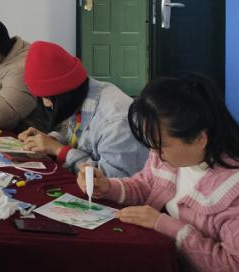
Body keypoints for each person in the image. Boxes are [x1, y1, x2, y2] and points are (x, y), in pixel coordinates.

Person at [82, 75, 239, 272]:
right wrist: (109, 187)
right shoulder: (169, 158)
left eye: (162, 145)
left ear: (199, 139)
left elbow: (236, 266)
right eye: (151, 143)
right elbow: (146, 185)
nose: (154, 152)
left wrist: (165, 226)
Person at [17, 41, 147, 177]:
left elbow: (109, 180)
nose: (46, 104)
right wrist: (48, 142)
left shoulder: (115, 122)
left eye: (47, 98)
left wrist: (59, 150)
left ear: (64, 95)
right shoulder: (81, 93)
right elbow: (79, 143)